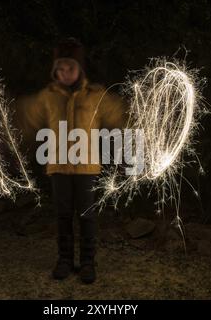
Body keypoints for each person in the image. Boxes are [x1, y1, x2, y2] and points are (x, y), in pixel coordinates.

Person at [15, 37, 127, 284]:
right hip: (58, 168)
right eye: (61, 69)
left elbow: (121, 115)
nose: (65, 73)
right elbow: (26, 117)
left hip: (87, 168)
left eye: (71, 68)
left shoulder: (96, 96)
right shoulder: (48, 96)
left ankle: (87, 263)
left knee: (87, 217)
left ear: (80, 69)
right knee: (63, 216)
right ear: (55, 70)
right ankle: (64, 261)